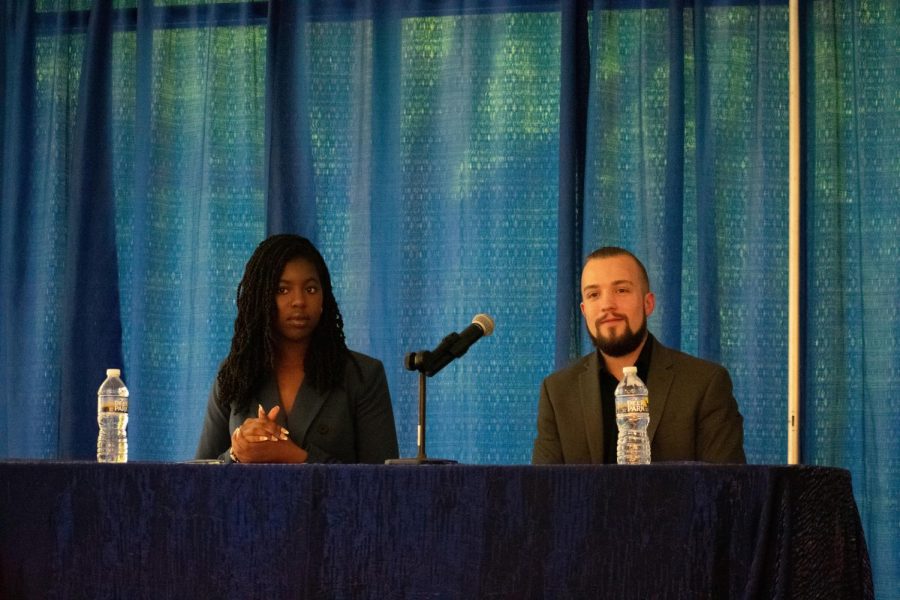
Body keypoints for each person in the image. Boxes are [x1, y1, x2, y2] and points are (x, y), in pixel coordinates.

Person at [196, 234, 399, 464]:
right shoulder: (233, 374)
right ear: (259, 299)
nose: (299, 301)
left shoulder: (363, 376)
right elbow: (198, 479)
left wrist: (295, 457)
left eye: (311, 289)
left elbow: (384, 486)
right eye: (283, 290)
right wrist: (236, 453)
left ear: (325, 298)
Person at [532, 246, 746, 464]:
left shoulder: (704, 384)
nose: (607, 305)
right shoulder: (557, 392)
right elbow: (542, 492)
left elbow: (727, 489)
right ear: (584, 310)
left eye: (621, 290)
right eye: (594, 294)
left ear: (648, 303)